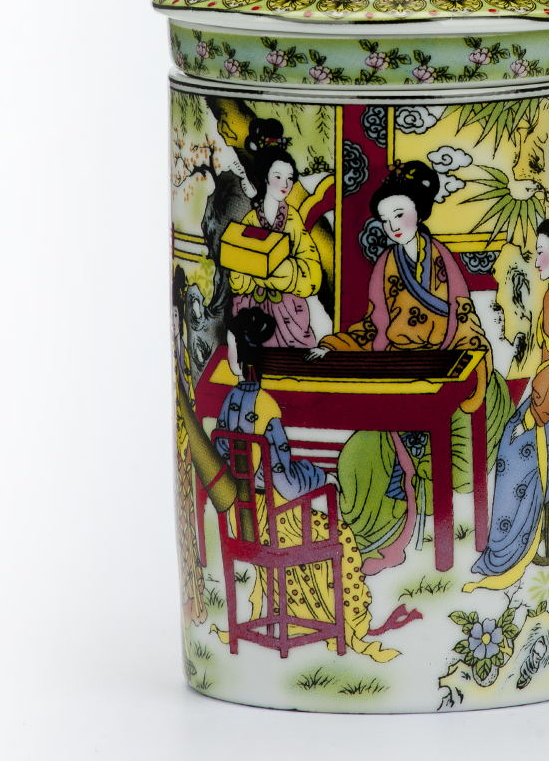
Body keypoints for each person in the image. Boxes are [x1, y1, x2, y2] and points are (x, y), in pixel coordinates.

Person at [314, 161, 514, 572]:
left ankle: (445, 536)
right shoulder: (385, 267)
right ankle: (376, 542)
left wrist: (468, 362)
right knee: (359, 454)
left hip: (445, 369)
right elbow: (373, 327)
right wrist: (333, 347)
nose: (392, 226)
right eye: (385, 220)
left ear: (419, 212)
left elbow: (464, 318)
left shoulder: (442, 261)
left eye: (399, 214)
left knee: (463, 424)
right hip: (397, 375)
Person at [211, 307, 400, 662]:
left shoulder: (230, 402)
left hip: (242, 518)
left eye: (231, 347)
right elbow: (285, 481)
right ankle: (344, 627)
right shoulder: (265, 407)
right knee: (341, 537)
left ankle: (290, 622)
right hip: (276, 521)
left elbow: (223, 452)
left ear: (241, 357)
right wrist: (321, 477)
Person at [466, 204, 549, 589]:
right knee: (508, 436)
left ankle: (505, 551)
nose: (536, 259)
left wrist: (533, 417)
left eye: (540, 252)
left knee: (511, 450)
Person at [229, 118, 322, 348]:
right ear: (265, 176)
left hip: (289, 309)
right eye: (278, 176)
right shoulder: (251, 220)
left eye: (290, 178)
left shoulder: (293, 220)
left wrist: (283, 271)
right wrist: (245, 270)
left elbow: (312, 270)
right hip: (254, 306)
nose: (285, 185)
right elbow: (238, 271)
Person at [172, 265, 206, 625]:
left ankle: (195, 601)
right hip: (185, 453)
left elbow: (190, 401)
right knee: (187, 527)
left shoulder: (185, 352)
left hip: (186, 450)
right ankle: (192, 605)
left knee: (189, 528)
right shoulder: (179, 351)